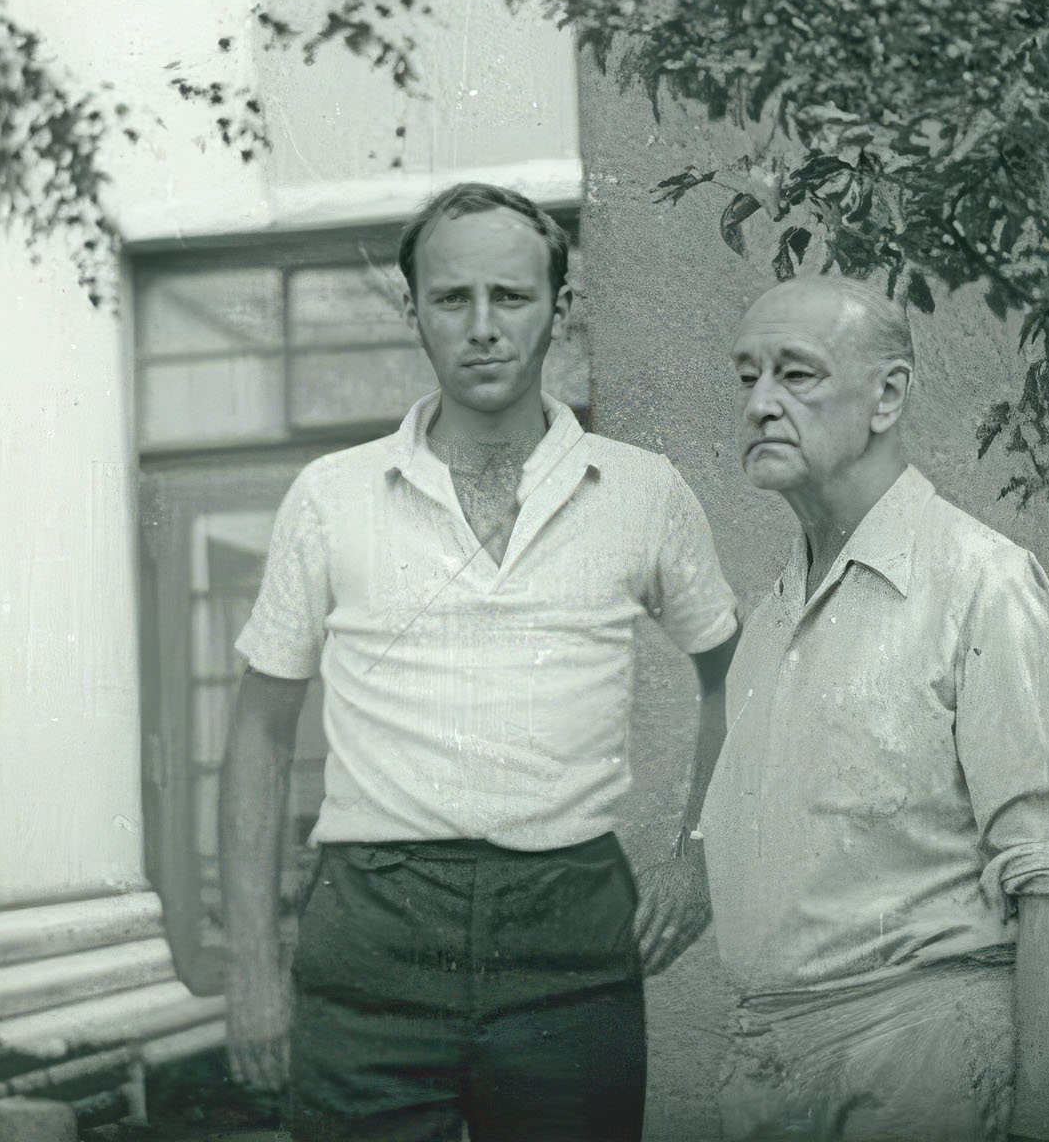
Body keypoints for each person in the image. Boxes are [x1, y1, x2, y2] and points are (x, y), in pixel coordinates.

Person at [219, 181, 739, 1142]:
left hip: (569, 938)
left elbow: (734, 679)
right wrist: (250, 968)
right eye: (453, 298)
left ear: (561, 307)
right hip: (371, 934)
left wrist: (700, 857)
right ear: (412, 310)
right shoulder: (332, 495)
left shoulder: (642, 491)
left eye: (512, 296)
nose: (484, 327)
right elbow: (259, 730)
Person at [700, 275, 1049, 1142]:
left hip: (921, 1072)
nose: (760, 404)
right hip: (768, 1076)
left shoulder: (981, 581)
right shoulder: (771, 618)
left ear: (887, 395)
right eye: (748, 376)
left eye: (797, 374)